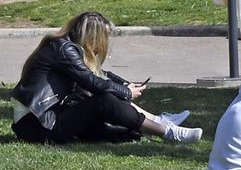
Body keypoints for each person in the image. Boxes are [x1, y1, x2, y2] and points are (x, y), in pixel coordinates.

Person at [12, 11, 201, 147]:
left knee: (115, 122)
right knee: (104, 100)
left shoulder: (66, 46)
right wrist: (126, 92)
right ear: (93, 37)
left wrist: (124, 85)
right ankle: (168, 132)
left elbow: (99, 75)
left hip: (41, 121)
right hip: (38, 126)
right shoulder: (64, 50)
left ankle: (159, 122)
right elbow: (92, 81)